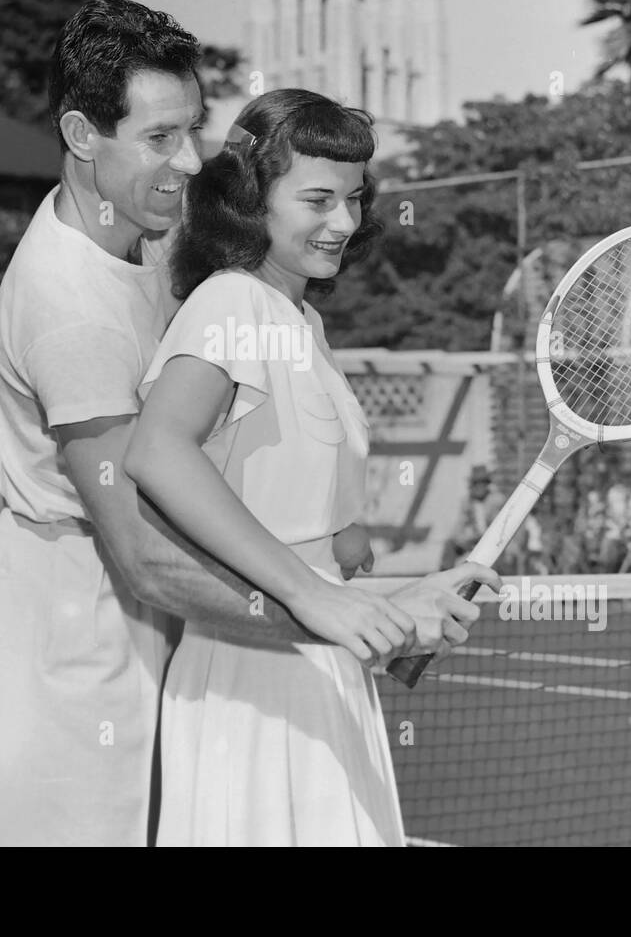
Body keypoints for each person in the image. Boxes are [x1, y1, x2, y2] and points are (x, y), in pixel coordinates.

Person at [0, 0, 488, 847]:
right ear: (82, 134)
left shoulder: (152, 241)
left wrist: (352, 588)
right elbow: (143, 555)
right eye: (160, 138)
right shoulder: (74, 316)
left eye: (193, 130)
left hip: (165, 609)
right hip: (78, 619)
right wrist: (343, 615)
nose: (189, 161)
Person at [124, 88, 495, 846]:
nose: (344, 222)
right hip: (251, 679)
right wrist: (312, 598)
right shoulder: (232, 301)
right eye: (318, 199)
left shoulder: (301, 319)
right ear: (252, 200)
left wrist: (401, 599)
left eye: (354, 199)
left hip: (315, 668)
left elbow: (308, 542)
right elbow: (157, 450)